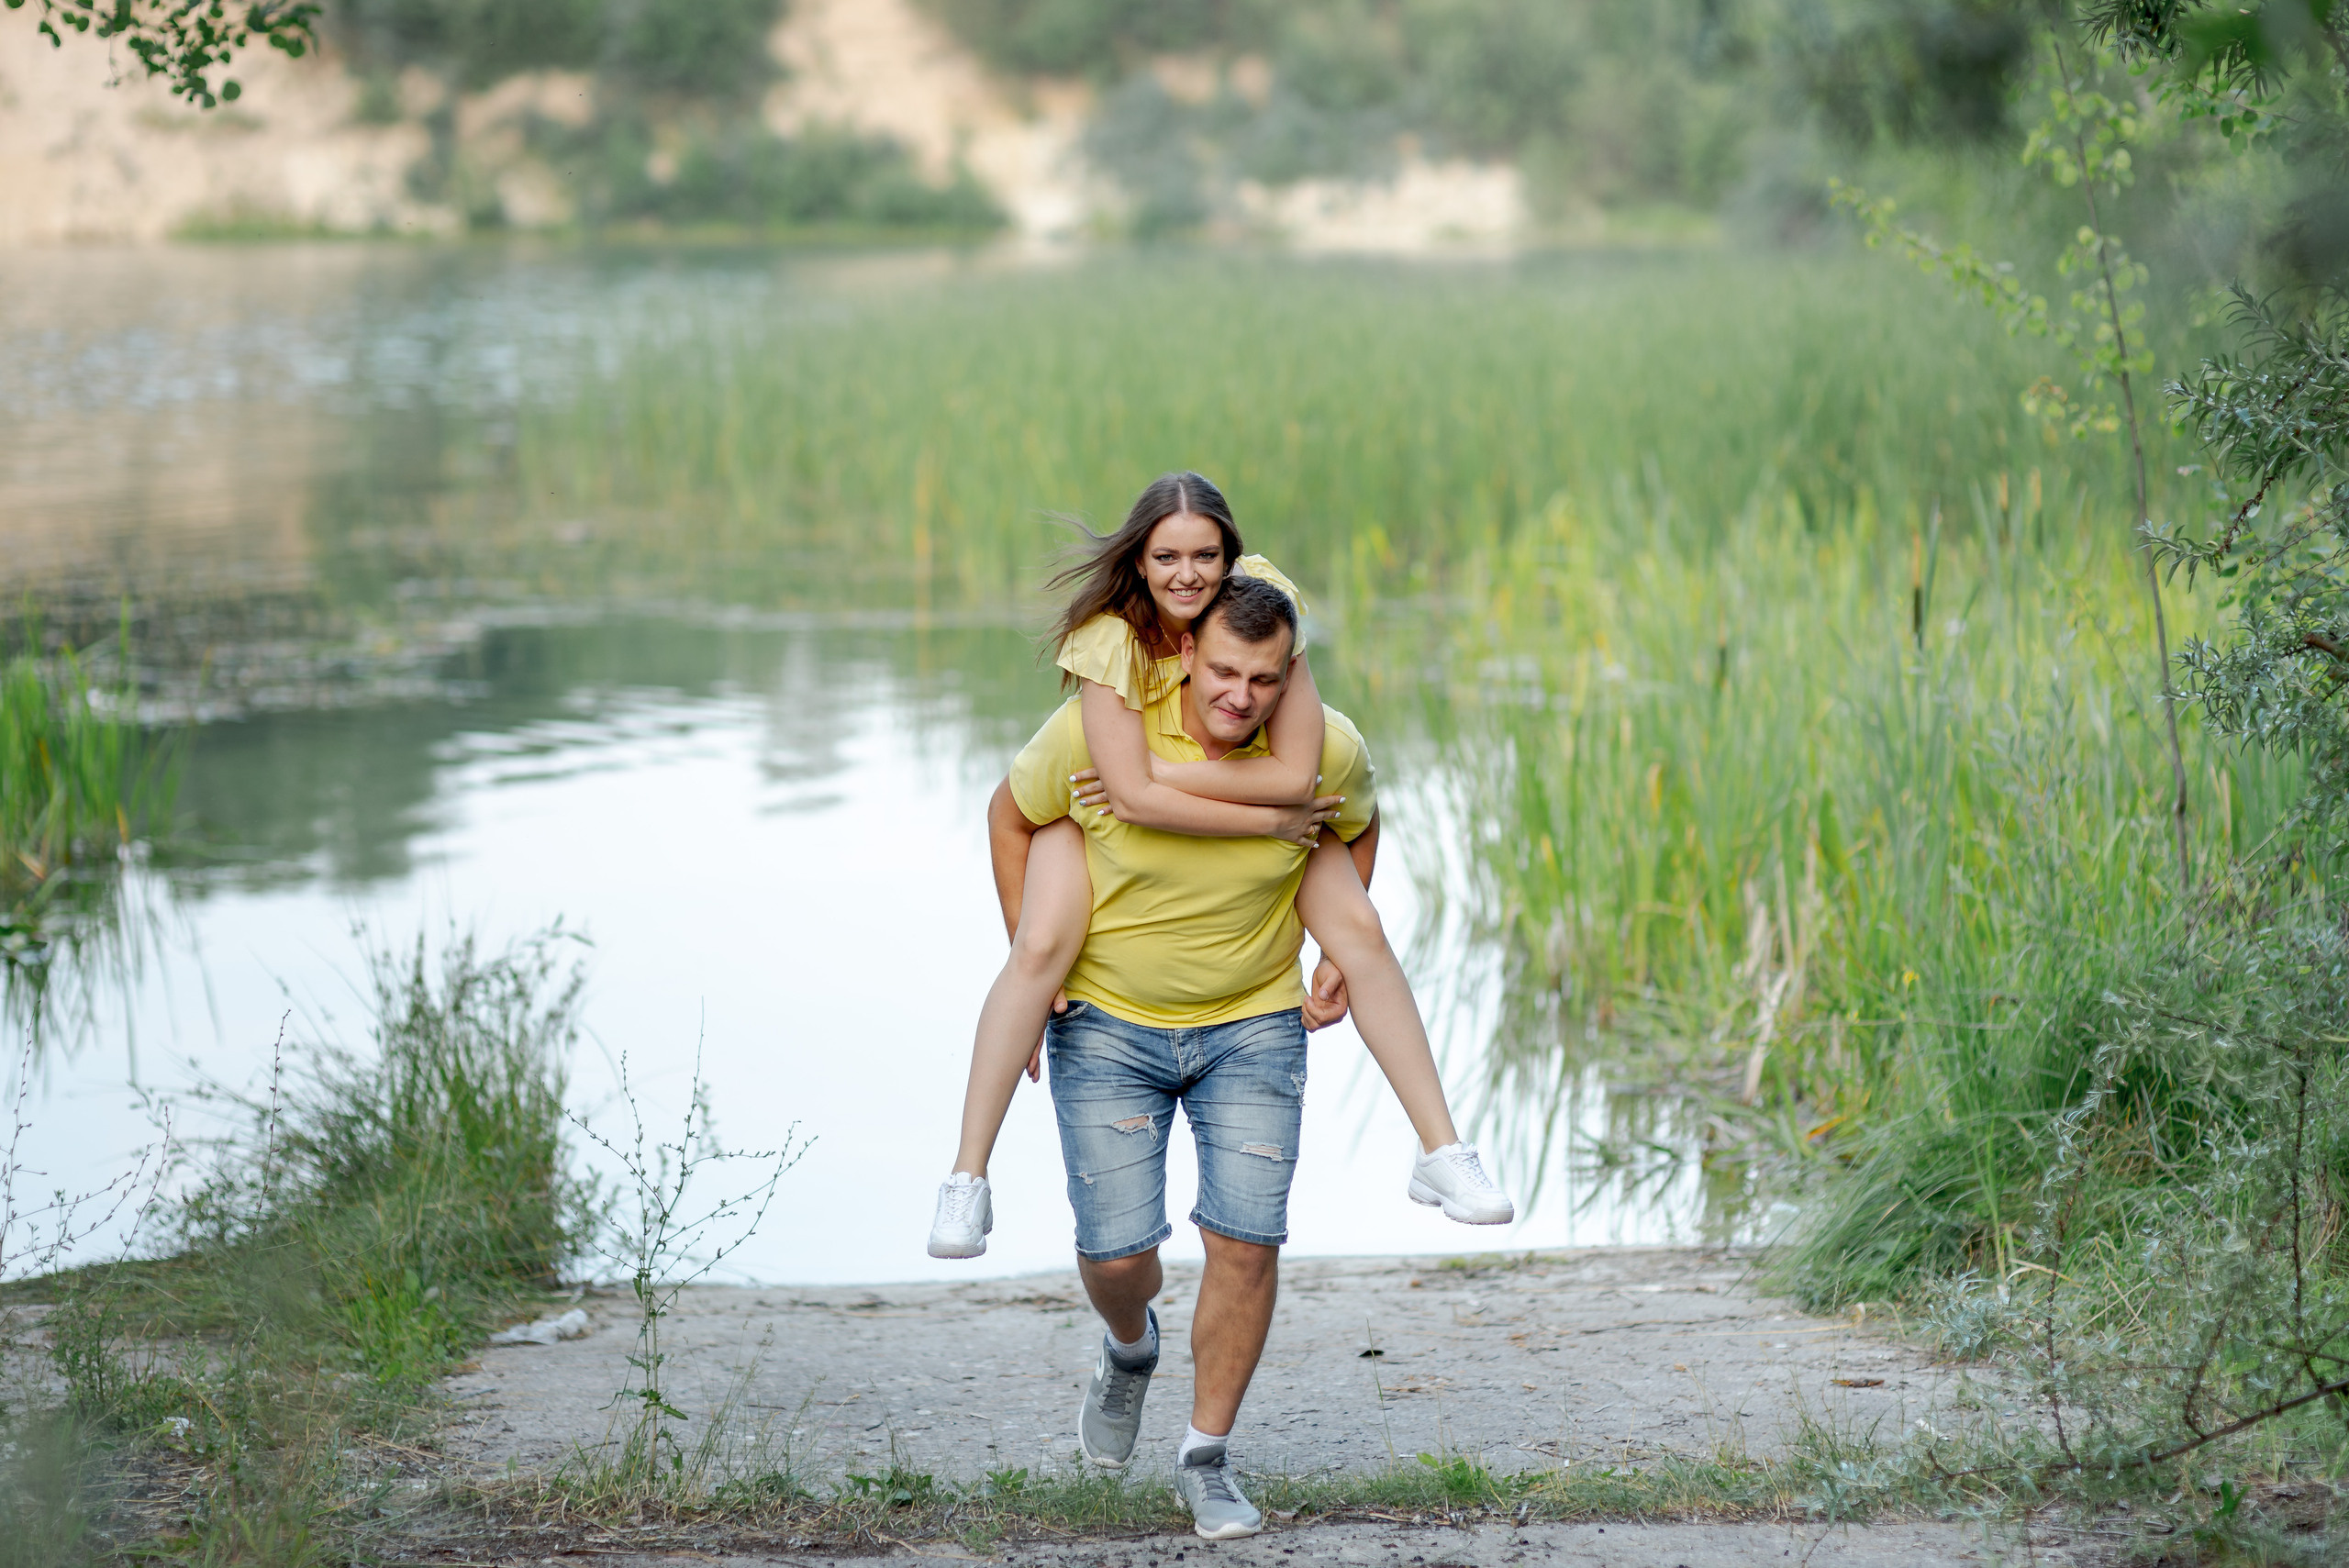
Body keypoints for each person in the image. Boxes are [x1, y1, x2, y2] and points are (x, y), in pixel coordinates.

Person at [928, 472, 1512, 1266]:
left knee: (1363, 930)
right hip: (1096, 844)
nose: (1186, 573)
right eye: (1166, 555)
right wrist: (1027, 953)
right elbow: (1085, 799)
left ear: (1231, 562)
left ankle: (1439, 1147)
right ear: (1142, 567)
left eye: (1206, 555)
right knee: (1038, 949)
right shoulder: (1109, 667)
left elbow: (1330, 799)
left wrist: (1331, 950)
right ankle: (968, 1176)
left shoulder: (1265, 621)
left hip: (1251, 973)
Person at [987, 573, 1453, 1538]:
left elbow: (1357, 824)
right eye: (1226, 672)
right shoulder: (1099, 731)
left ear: (1292, 677)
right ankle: (1128, 1344)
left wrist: (1330, 950)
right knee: (1119, 1254)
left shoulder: (1326, 748)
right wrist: (1030, 971)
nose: (1241, 696)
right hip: (1109, 1021)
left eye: (1266, 678)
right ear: (1188, 655)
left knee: (1246, 1242)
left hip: (1254, 1024)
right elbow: (1010, 817)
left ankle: (1206, 1453)